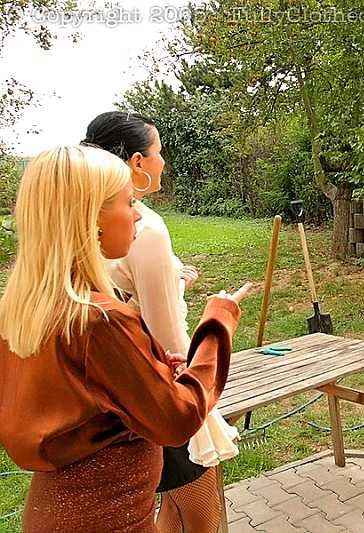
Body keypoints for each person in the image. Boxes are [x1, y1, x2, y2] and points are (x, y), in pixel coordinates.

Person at [0, 145, 247, 532]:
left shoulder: (24, 311)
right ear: (90, 220)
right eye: (128, 202)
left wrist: (147, 370)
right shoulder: (100, 321)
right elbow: (177, 420)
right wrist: (217, 324)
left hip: (54, 511)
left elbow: (77, 399)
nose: (135, 214)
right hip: (109, 518)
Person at [82, 110, 235, 532]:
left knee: (172, 504)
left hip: (123, 392)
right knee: (204, 514)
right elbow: (166, 334)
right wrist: (217, 323)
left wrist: (172, 280)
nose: (163, 162)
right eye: (158, 152)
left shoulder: (87, 220)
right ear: (135, 163)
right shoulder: (145, 228)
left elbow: (119, 298)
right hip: (165, 384)